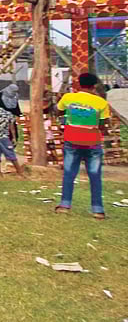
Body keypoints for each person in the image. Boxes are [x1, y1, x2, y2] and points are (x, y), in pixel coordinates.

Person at [55, 72, 110, 220]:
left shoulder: (68, 98)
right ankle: (98, 210)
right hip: (93, 143)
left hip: (72, 141)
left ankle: (64, 205)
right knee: (95, 176)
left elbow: (58, 110)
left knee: (69, 173)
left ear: (78, 84)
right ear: (94, 86)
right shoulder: (101, 103)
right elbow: (103, 125)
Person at [0, 98, 24, 177]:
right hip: (4, 137)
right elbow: (11, 127)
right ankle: (20, 172)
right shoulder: (8, 114)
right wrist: (13, 137)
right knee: (11, 154)